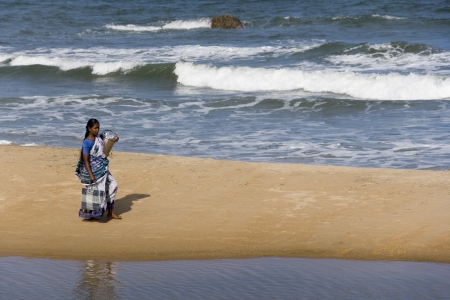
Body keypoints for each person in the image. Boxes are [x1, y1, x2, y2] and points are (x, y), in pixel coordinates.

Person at [75, 118, 121, 220]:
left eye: (98, 128)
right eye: (95, 128)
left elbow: (106, 143)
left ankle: (110, 212)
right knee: (94, 192)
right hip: (93, 171)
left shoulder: (98, 139)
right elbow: (86, 160)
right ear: (89, 128)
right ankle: (90, 215)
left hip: (102, 169)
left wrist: (115, 139)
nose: (97, 130)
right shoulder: (87, 143)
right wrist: (91, 175)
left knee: (113, 185)